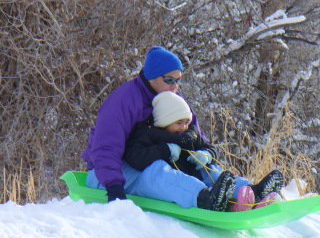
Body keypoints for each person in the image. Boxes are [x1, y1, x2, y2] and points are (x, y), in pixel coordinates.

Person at [122, 91, 285, 211]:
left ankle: (253, 192)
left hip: (196, 174)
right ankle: (206, 199)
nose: (184, 127)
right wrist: (164, 150)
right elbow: (135, 156)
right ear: (164, 121)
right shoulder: (149, 135)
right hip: (174, 181)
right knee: (160, 170)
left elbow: (210, 148)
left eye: (186, 122)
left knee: (212, 171)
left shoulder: (190, 135)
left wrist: (207, 155)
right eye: (179, 123)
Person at [82, 46, 205, 202]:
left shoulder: (172, 97)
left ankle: (238, 191)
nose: (175, 86)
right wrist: (114, 187)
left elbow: (196, 135)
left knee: (200, 164)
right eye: (169, 80)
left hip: (151, 164)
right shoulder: (124, 101)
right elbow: (106, 147)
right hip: (108, 173)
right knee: (157, 172)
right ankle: (203, 198)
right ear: (152, 76)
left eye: (178, 80)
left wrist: (206, 154)